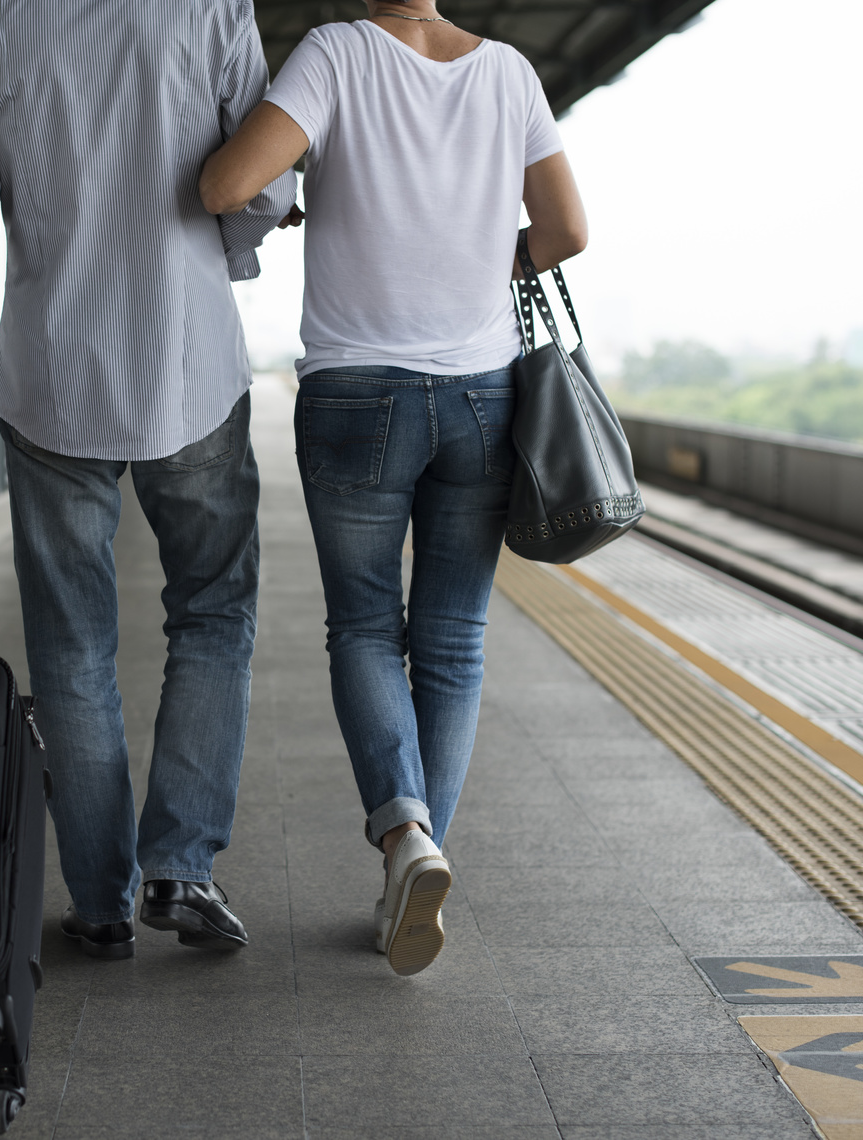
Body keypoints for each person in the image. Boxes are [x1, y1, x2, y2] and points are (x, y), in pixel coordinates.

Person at [0, 0, 296, 960]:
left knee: (71, 647)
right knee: (211, 614)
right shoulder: (208, 8)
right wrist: (236, 249)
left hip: (51, 382)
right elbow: (261, 177)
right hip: (188, 364)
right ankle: (181, 867)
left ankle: (101, 903)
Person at [199, 0, 588, 975]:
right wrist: (476, 259)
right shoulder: (504, 73)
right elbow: (567, 230)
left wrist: (299, 190)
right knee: (451, 642)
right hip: (483, 397)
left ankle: (404, 836)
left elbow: (223, 184)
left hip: (354, 393)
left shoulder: (334, 53)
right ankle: (410, 867)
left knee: (365, 627)